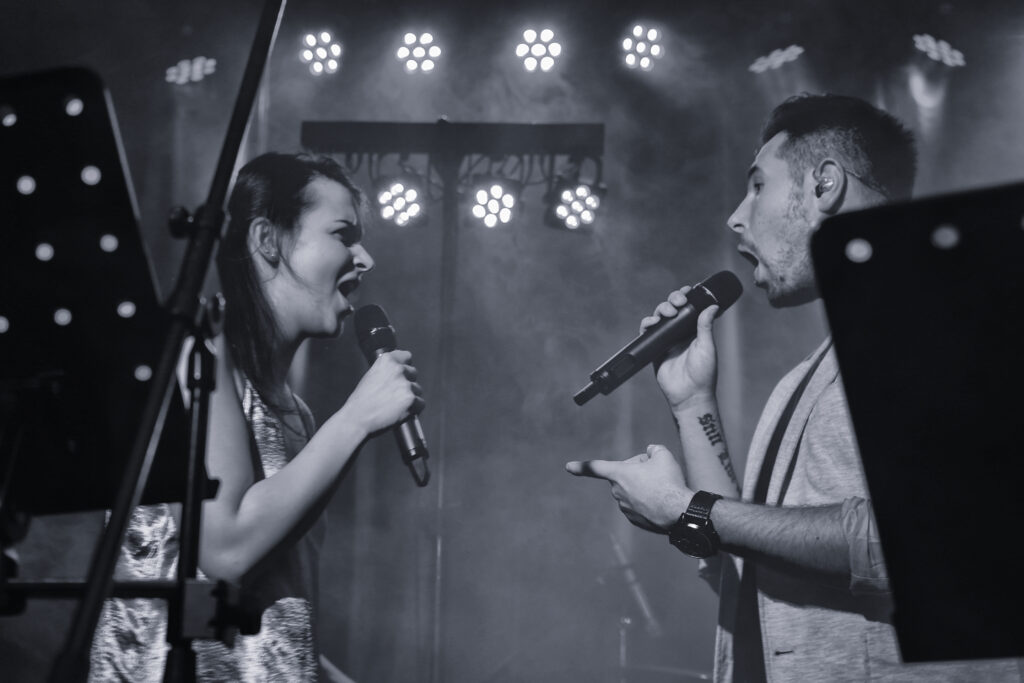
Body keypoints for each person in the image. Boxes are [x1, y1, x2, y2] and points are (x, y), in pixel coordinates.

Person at [566, 94, 1024, 681]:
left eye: (758, 186)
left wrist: (686, 509)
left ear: (824, 185)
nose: (736, 217)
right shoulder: (806, 378)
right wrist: (692, 402)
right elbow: (748, 570)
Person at [89, 153, 423, 681]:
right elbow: (226, 549)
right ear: (267, 240)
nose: (365, 258)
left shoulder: (296, 414)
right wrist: (356, 419)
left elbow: (274, 619)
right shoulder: (198, 354)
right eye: (343, 234)